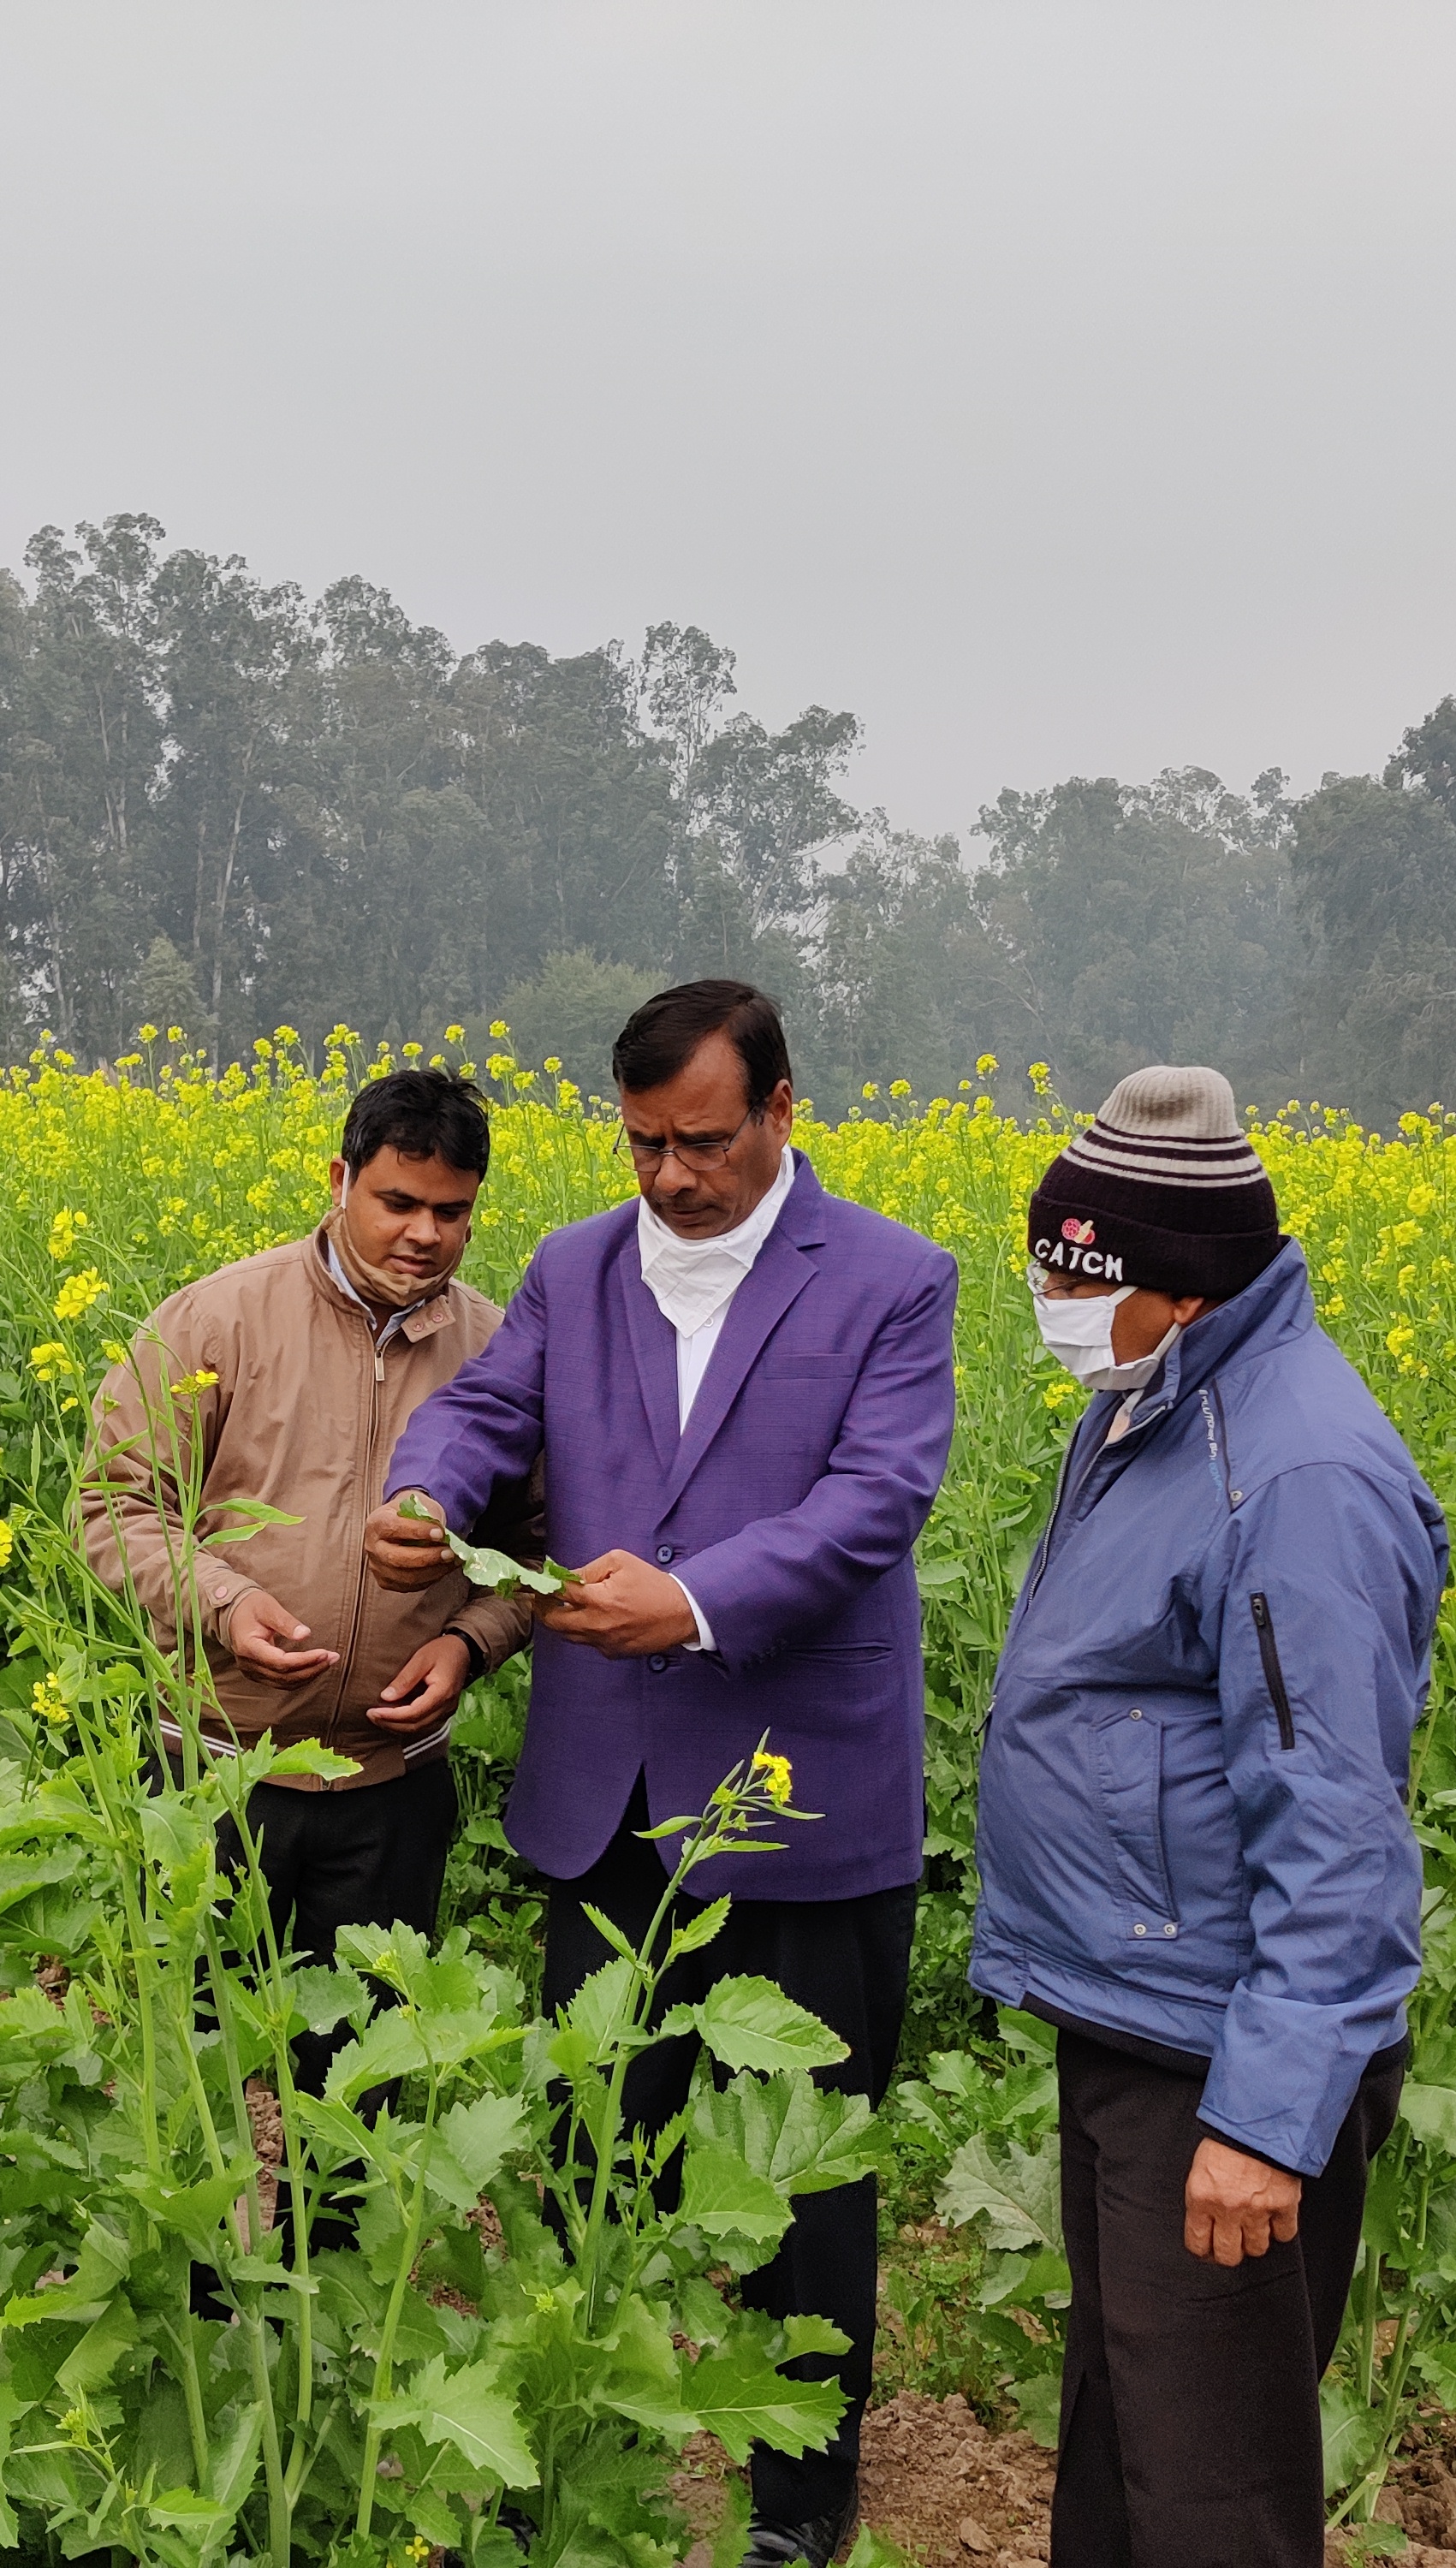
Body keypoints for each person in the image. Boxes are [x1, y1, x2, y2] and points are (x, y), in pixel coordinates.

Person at [367, 980, 958, 2568]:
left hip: (799, 1785)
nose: (673, 1177)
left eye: (703, 1141)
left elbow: (873, 1504)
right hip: (606, 1789)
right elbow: (485, 1411)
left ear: (780, 1110)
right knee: (585, 2149)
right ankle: (579, 2455)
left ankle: (800, 2502)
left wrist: (693, 1603)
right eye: (643, 1144)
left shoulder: (895, 1280)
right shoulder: (575, 1264)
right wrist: (428, 1495)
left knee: (808, 2165)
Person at [968, 1064, 1446, 2568]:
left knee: (1213, 2495)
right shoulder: (1158, 1396)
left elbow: (1339, 1829)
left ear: (1170, 1285)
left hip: (1221, 2050)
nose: (1043, 1291)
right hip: (1144, 2005)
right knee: (1128, 2445)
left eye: (1067, 1268)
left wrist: (1265, 2117)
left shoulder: (1295, 1474)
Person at [79, 1067, 543, 2108]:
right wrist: (224, 1603)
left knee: (357, 2093)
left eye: (452, 1212)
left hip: (392, 1781)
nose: (424, 1234)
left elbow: (539, 1547)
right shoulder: (219, 1320)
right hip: (215, 1770)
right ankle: (202, 2277)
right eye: (398, 1202)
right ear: (339, 1180)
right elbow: (113, 1504)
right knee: (193, 2082)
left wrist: (470, 1641)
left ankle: (334, 2267)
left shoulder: (498, 1350)